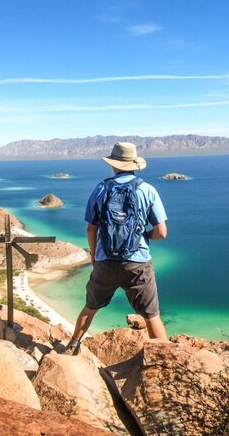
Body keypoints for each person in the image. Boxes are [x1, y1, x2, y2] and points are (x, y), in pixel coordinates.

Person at [65, 142, 168, 354]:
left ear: (114, 165)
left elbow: (90, 229)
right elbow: (162, 232)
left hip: (105, 261)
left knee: (91, 307)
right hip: (138, 263)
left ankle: (72, 345)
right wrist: (144, 236)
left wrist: (94, 256)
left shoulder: (101, 188)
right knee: (151, 315)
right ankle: (165, 358)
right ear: (134, 164)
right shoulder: (147, 190)